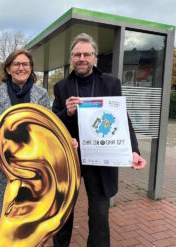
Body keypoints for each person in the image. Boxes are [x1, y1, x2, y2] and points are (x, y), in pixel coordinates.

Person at [52, 33, 146, 247]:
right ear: (71, 58)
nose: (82, 58)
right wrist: (66, 113)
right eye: (77, 54)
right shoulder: (61, 87)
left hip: (101, 159)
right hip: (71, 158)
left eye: (86, 54)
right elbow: (54, 123)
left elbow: (122, 119)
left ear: (94, 57)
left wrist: (134, 150)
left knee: (100, 215)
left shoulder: (111, 83)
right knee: (63, 212)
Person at [0, 49, 52, 232]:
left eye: (25, 64)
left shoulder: (42, 96)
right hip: (4, 170)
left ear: (31, 68)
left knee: (31, 224)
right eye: (16, 64)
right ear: (8, 69)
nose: (21, 68)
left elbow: (49, 130)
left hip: (33, 171)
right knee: (4, 223)